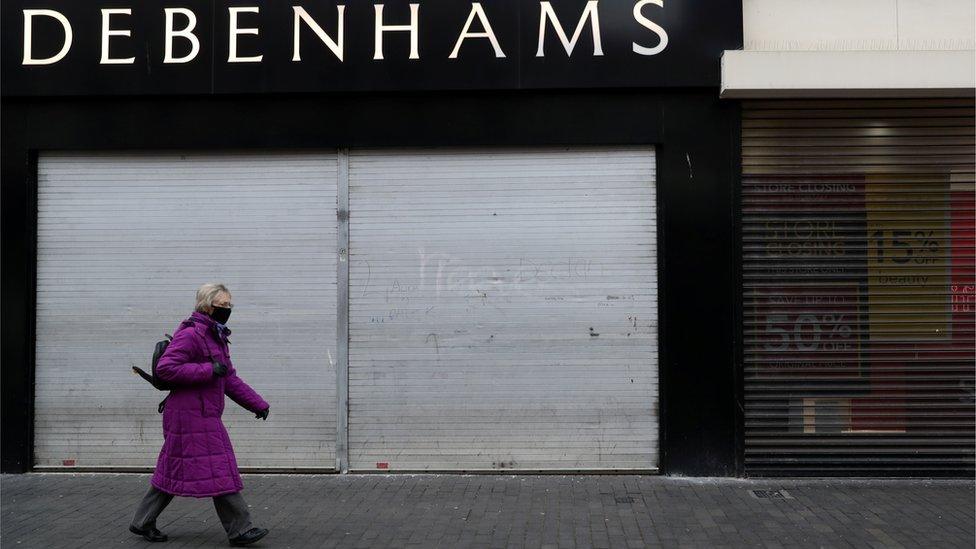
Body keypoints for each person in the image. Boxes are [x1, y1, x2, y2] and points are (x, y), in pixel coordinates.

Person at [129, 283, 271, 546]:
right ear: (207, 305)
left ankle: (142, 521)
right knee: (221, 468)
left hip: (201, 415)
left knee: (173, 469)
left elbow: (229, 379)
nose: (227, 309)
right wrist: (207, 369)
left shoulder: (216, 336)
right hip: (188, 416)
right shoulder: (192, 334)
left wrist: (258, 404)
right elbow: (166, 369)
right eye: (223, 304)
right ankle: (240, 530)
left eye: (230, 305)